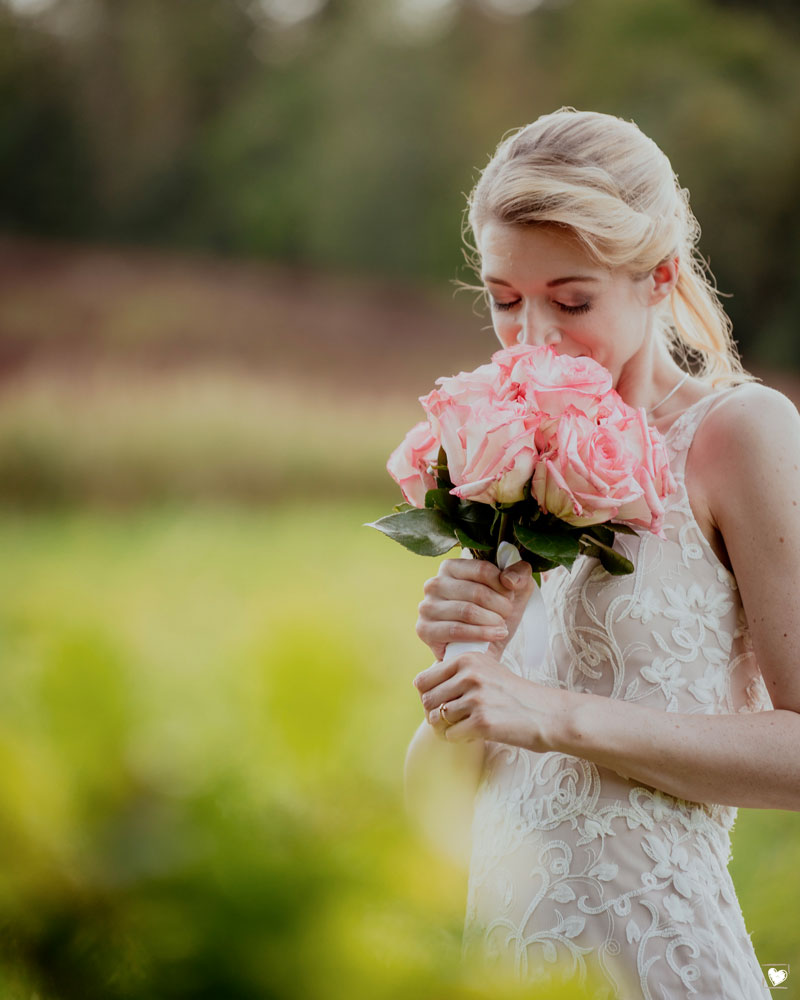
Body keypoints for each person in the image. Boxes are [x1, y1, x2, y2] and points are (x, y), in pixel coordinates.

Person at [405, 108, 799, 999]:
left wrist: (553, 713)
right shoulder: (499, 463)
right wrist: (464, 669)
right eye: (505, 301)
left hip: (655, 960)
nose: (534, 338)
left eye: (571, 301)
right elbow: (431, 801)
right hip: (502, 967)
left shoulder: (742, 435)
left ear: (659, 279)